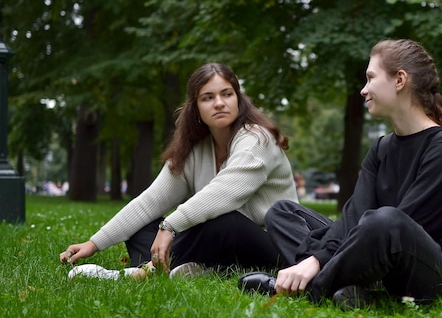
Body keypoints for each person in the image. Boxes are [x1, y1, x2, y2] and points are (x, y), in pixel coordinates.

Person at [239, 39, 442, 308]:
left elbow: (403, 225)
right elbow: (355, 214)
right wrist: (318, 257)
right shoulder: (381, 147)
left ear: (400, 80)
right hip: (379, 245)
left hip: (441, 270)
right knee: (283, 212)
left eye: (370, 78)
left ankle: (308, 288)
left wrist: (319, 260)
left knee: (386, 221)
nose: (363, 90)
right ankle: (352, 285)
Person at [60, 63, 299, 278]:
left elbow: (223, 194)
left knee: (226, 221)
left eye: (227, 94)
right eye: (207, 97)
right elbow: (150, 202)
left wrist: (170, 227)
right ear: (195, 107)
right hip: (218, 241)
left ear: (238, 99)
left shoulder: (257, 139)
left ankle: (140, 273)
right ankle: (193, 268)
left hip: (273, 244)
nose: (219, 103)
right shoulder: (194, 149)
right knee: (142, 224)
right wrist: (93, 243)